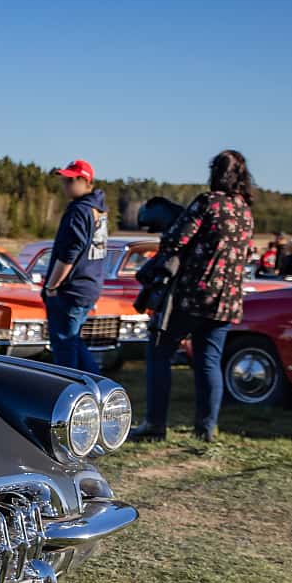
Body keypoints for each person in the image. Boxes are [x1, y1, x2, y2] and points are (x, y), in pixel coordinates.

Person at [133, 149, 257, 443]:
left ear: (215, 172)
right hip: (227, 301)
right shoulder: (245, 211)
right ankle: (206, 428)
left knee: (159, 352)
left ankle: (154, 424)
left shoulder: (208, 202)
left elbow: (176, 239)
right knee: (208, 361)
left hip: (193, 295)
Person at [43, 159, 108, 372]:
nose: (65, 185)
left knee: (64, 347)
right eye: (64, 180)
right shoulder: (98, 210)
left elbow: (70, 252)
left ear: (85, 181)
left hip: (71, 290)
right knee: (73, 341)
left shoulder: (79, 210)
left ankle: (70, 388)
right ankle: (95, 383)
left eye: (70, 181)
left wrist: (52, 285)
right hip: (89, 285)